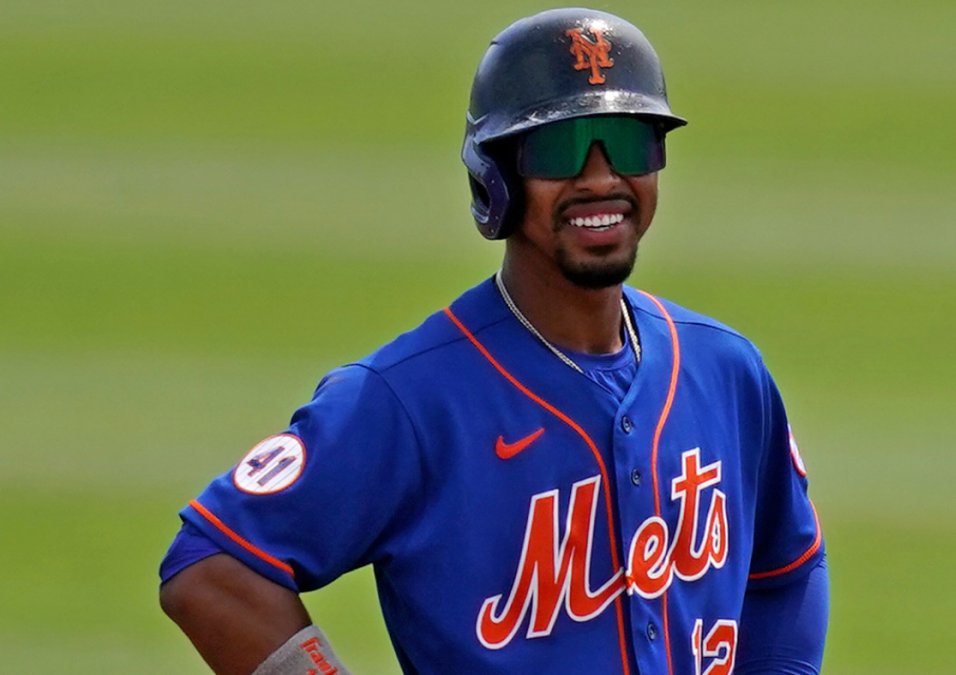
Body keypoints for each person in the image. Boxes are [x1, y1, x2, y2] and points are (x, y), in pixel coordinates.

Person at [159, 8, 829, 675]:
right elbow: (212, 568)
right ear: (497, 178)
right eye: (560, 148)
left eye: (628, 142)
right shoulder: (410, 399)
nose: (600, 178)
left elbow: (788, 565)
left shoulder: (726, 370)